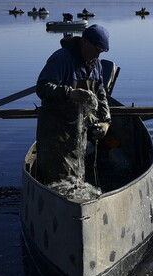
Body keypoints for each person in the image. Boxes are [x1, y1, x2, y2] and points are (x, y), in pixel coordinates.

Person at [34, 24, 112, 185]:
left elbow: (101, 94)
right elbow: (42, 87)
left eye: (101, 51)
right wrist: (69, 93)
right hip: (55, 132)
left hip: (78, 130)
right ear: (84, 41)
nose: (98, 54)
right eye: (96, 48)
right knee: (56, 179)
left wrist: (106, 122)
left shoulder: (95, 64)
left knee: (76, 177)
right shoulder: (62, 58)